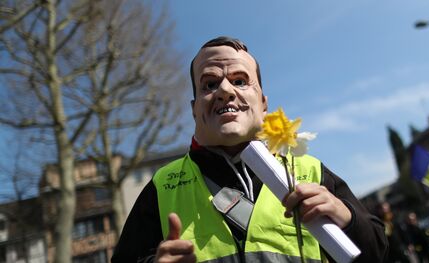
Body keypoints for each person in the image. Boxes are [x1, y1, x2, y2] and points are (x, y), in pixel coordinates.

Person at [111, 36, 387, 263]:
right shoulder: (162, 186)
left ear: (264, 103)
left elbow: (377, 253)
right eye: (209, 84)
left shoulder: (311, 171)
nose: (224, 90)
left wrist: (346, 218)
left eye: (240, 81)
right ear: (194, 109)